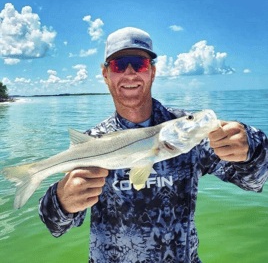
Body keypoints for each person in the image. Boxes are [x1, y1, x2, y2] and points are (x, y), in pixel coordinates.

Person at [39, 27, 268, 263]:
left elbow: (253, 181)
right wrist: (61, 200)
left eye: (139, 64)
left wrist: (252, 148)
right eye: (119, 65)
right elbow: (56, 226)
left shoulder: (189, 134)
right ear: (105, 74)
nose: (130, 74)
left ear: (152, 72)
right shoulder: (93, 141)